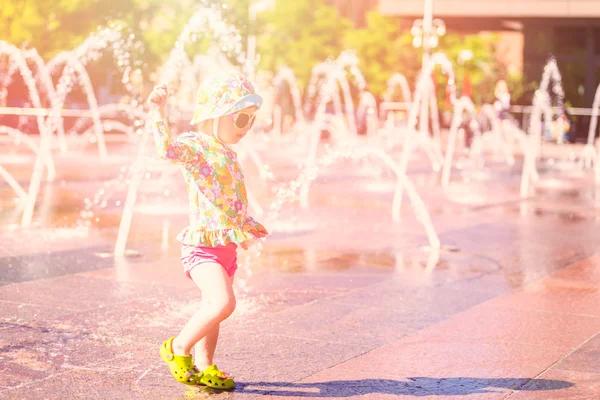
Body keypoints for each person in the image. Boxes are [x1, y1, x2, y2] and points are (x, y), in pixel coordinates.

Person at [147, 70, 269, 390]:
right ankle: (177, 348)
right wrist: (158, 113)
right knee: (223, 304)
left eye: (250, 120)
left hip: (225, 246)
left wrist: (243, 227)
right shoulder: (197, 145)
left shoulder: (228, 152)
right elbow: (167, 152)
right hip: (202, 247)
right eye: (241, 119)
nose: (247, 127)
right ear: (216, 115)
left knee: (212, 309)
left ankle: (205, 365)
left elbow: (230, 199)